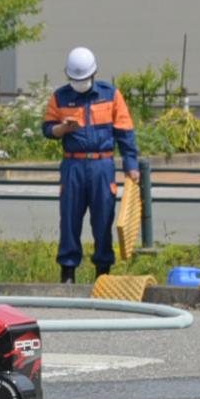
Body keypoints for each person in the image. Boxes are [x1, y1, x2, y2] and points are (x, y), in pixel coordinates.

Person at [45, 45, 139, 283]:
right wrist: (62, 128)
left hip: (102, 165)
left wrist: (131, 165)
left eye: (84, 78)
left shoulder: (111, 95)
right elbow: (47, 129)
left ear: (93, 74)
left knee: (103, 219)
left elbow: (125, 131)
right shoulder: (60, 97)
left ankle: (103, 272)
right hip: (72, 166)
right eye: (75, 79)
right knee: (69, 220)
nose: (80, 82)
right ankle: (68, 272)